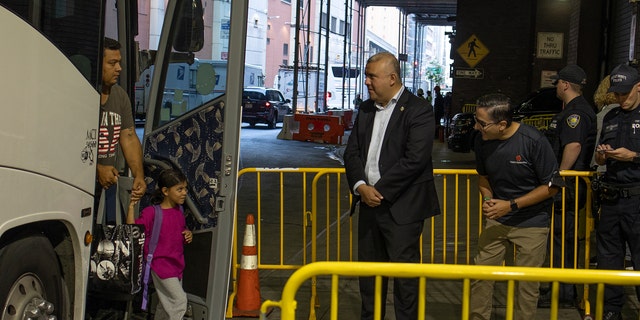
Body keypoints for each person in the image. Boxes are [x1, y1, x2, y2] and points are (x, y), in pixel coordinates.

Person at [343, 52, 440, 320]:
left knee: (405, 277)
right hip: (368, 204)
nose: (366, 82)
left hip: (403, 209)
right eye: (366, 75)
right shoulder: (364, 109)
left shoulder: (419, 109)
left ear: (392, 78)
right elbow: (351, 154)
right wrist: (361, 186)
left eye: (372, 76)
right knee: (369, 276)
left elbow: (415, 159)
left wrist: (380, 191)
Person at [469, 93, 561, 320]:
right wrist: (488, 202)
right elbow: (483, 178)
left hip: (532, 223)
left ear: (502, 124)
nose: (476, 127)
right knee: (480, 275)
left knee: (526, 284)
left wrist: (510, 205)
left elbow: (551, 187)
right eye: (476, 120)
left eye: (481, 123)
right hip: (497, 219)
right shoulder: (482, 141)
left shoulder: (534, 141)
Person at [539, 64, 596, 308]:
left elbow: (573, 147)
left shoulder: (577, 113)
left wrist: (559, 177)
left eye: (558, 83)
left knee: (564, 238)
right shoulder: (575, 109)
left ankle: (562, 293)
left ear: (565, 84)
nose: (556, 88)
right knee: (561, 237)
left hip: (569, 186)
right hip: (569, 184)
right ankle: (558, 288)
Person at [594, 64, 640, 320]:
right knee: (608, 259)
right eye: (617, 93)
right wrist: (602, 155)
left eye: (625, 93)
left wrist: (633, 156)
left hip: (637, 198)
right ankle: (612, 311)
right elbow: (600, 161)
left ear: (638, 87)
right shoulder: (611, 117)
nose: (620, 98)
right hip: (611, 199)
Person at [127, 169, 193, 320]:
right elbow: (134, 232)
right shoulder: (152, 213)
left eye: (185, 189)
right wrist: (131, 207)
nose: (184, 193)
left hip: (176, 264)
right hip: (160, 265)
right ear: (165, 191)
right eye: (179, 189)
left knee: (164, 306)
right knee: (179, 301)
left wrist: (187, 234)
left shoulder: (179, 211)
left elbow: (179, 232)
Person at [97, 37, 146, 219]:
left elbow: (129, 137)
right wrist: (97, 169)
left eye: (119, 62)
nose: (119, 68)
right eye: (112, 63)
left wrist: (139, 176)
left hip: (108, 187)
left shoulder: (120, 95)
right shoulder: (83, 94)